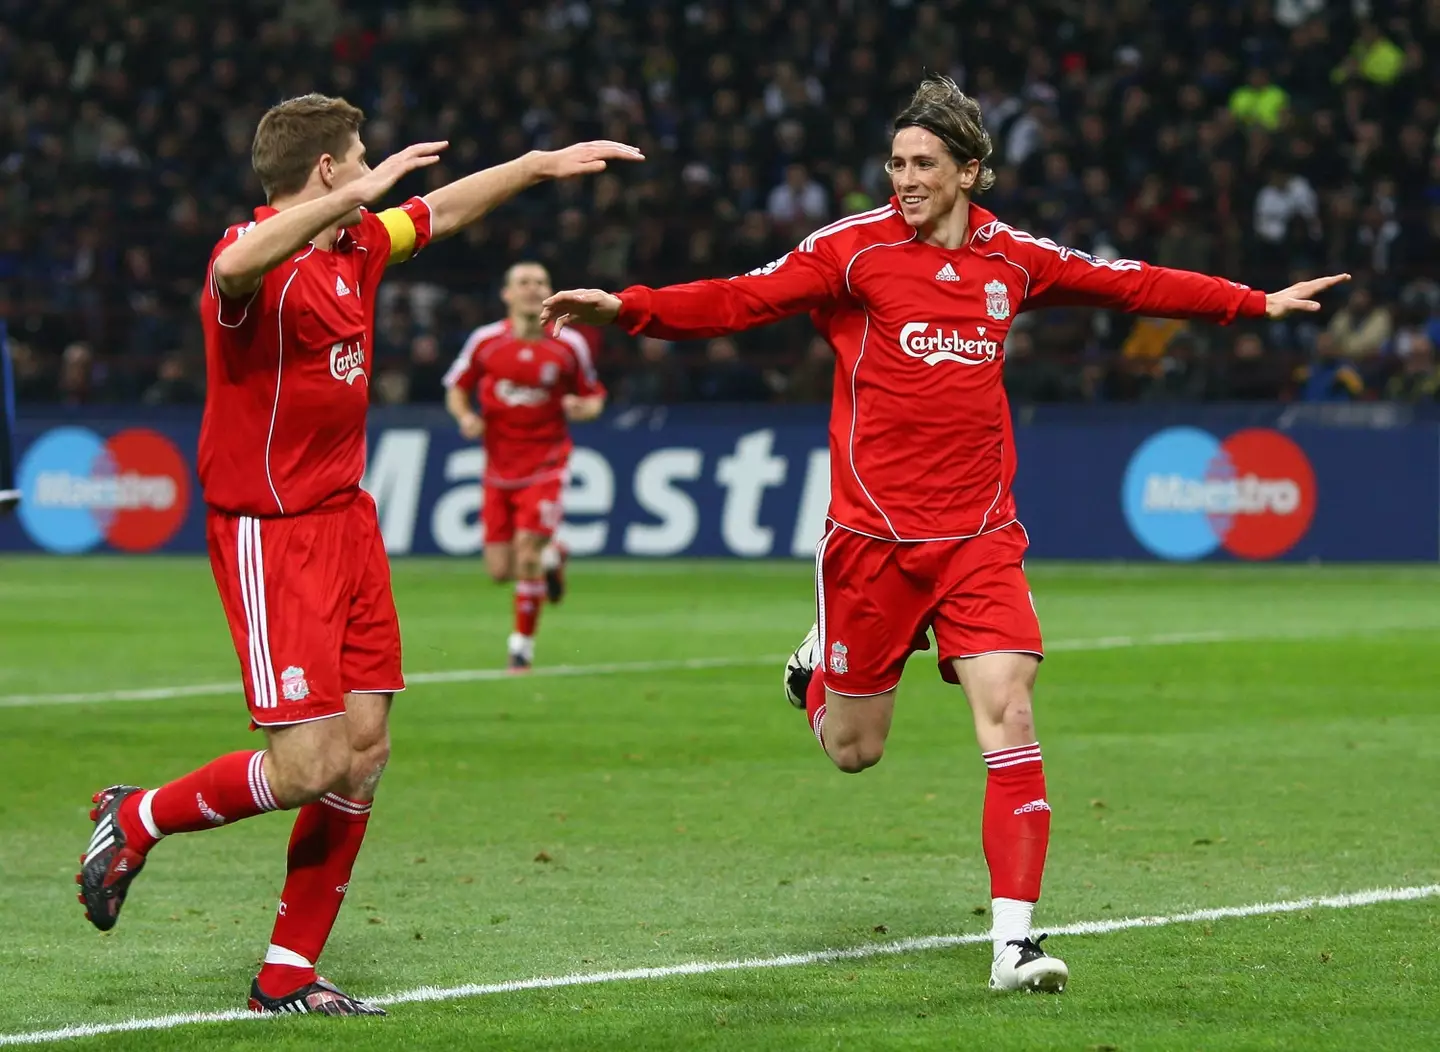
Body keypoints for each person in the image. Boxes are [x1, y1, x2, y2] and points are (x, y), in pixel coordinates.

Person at [541, 76, 1346, 994]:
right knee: (856, 749)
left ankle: (1013, 944)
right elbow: (740, 299)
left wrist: (1254, 303)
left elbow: (1129, 284)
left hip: (979, 535)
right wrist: (631, 309)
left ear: (972, 170)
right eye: (896, 163)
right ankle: (815, 676)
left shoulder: (1017, 259)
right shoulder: (851, 251)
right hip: (873, 540)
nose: (906, 179)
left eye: (925, 164)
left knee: (1011, 711)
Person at [75, 92, 639, 1016]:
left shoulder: (358, 247)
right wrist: (348, 201)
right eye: (361, 157)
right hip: (270, 531)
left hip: (348, 522)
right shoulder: (252, 262)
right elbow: (232, 268)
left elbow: (445, 207)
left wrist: (537, 165)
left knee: (365, 752)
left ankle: (287, 974)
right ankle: (137, 817)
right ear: (330, 170)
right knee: (306, 767)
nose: (376, 171)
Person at [443, 261, 606, 671]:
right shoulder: (486, 342)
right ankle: (555, 557)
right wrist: (465, 417)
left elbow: (594, 396)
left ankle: (521, 649)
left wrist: (581, 408)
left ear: (551, 292)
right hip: (498, 469)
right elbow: (456, 389)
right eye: (523, 283)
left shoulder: (570, 346)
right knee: (500, 570)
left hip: (547, 464)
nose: (532, 289)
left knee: (526, 553)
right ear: (507, 294)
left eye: (540, 283)